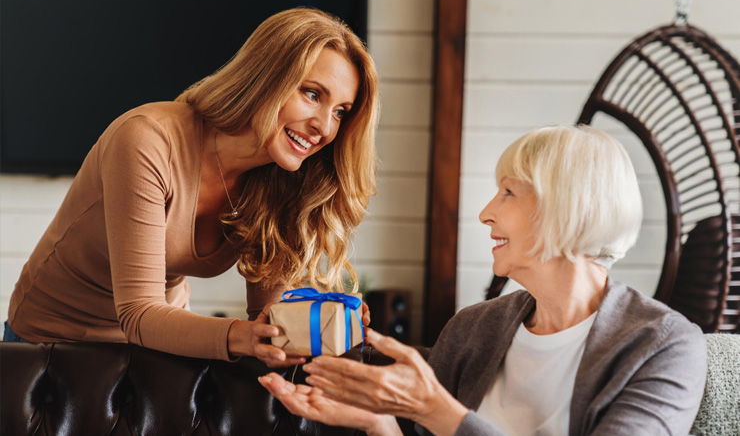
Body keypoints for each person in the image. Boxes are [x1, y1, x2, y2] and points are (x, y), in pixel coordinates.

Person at [260, 125, 708, 435]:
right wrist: (377, 422)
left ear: (569, 207)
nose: (486, 213)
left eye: (508, 192)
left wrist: (436, 410)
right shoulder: (473, 329)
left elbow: (442, 418)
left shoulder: (665, 346)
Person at [4, 8, 377, 366]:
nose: (325, 128)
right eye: (312, 94)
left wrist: (321, 321)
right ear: (264, 77)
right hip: (51, 345)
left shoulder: (284, 178)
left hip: (158, 345)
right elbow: (138, 313)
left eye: (340, 112)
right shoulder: (146, 140)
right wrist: (246, 336)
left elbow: (271, 318)